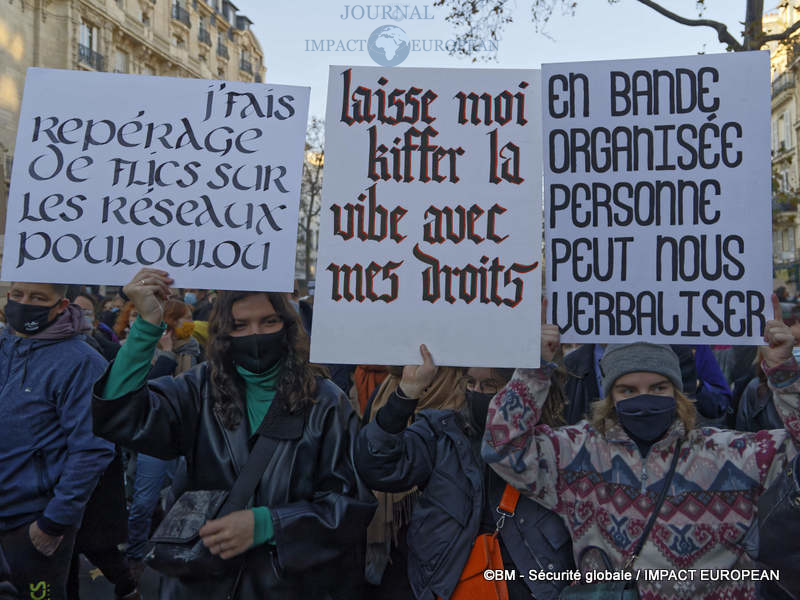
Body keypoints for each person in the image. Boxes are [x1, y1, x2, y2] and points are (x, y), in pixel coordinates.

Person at [482, 296, 800, 599]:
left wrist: (784, 375)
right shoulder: (577, 453)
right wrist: (534, 369)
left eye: (658, 387)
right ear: (610, 396)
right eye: (628, 389)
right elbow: (502, 446)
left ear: (677, 393)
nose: (644, 399)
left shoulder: (730, 454)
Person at [91, 269, 376, 599]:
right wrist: (146, 327)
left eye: (268, 322)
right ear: (223, 331)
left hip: (292, 586)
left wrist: (270, 524)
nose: (255, 334)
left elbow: (350, 505)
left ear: (288, 325)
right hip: (204, 584)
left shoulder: (326, 401)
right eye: (240, 325)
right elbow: (122, 417)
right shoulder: (198, 389)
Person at [356, 354, 574, 600]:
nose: (477, 393)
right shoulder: (441, 434)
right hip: (451, 586)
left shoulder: (554, 447)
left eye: (490, 386)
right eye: (470, 383)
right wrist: (405, 394)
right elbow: (378, 465)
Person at [0, 282, 115, 600]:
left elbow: (92, 450)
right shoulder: (3, 344)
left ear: (61, 305)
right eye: (18, 295)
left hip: (32, 524)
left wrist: (52, 524)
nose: (24, 304)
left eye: (38, 298)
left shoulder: (82, 361)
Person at [126, 300, 202, 577]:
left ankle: (170, 550)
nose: (190, 324)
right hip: (155, 438)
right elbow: (145, 391)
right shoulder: (149, 349)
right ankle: (134, 555)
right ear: (170, 322)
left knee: (176, 499)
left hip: (185, 435)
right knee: (144, 501)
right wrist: (168, 355)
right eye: (186, 318)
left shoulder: (193, 349)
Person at [72, 292, 120, 361]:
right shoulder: (58, 347)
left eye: (86, 313)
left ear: (95, 323)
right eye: (74, 312)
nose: (79, 317)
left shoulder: (113, 352)